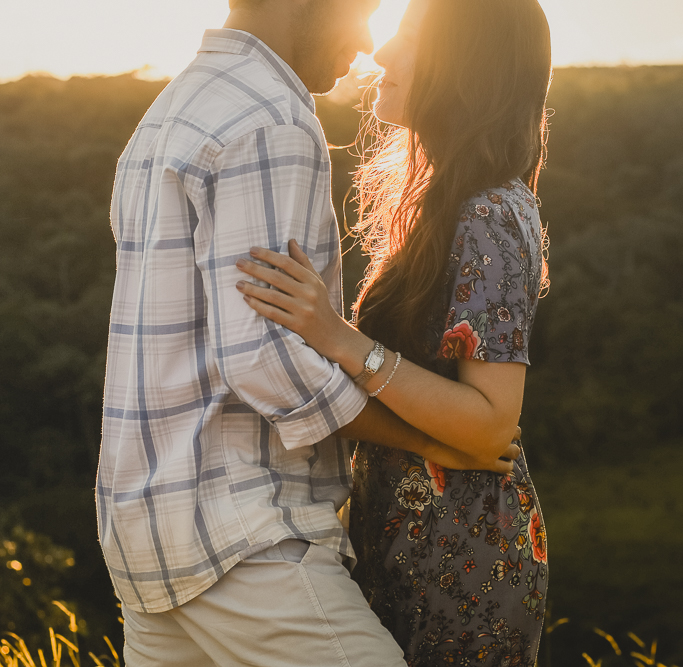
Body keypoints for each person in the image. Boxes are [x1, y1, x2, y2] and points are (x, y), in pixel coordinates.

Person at [97, 0, 520, 664]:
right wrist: (429, 441)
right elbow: (263, 358)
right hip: (244, 536)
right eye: (362, 10)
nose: (368, 41)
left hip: (146, 537)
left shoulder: (171, 111)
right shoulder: (273, 119)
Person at [235, 0, 553, 663]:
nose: (379, 53)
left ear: (463, 65)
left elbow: (492, 422)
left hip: (463, 562)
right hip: (411, 543)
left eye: (406, 37)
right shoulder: (448, 202)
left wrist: (339, 338)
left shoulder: (489, 213)